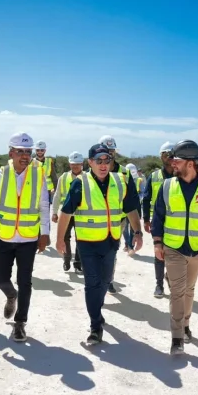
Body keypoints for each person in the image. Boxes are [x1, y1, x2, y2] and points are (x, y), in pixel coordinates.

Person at [55, 143, 142, 344]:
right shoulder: (80, 183)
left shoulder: (120, 181)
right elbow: (66, 212)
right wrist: (60, 240)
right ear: (90, 163)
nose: (103, 165)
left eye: (107, 160)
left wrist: (137, 232)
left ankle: (96, 310)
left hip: (110, 241)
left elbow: (130, 209)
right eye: (98, 161)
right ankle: (95, 326)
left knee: (105, 280)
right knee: (92, 283)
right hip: (87, 244)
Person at [152, 140, 198, 354]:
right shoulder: (167, 186)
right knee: (177, 291)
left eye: (177, 160)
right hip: (173, 247)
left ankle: (185, 324)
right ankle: (177, 338)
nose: (172, 163)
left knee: (189, 290)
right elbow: (158, 216)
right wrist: (157, 243)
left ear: (191, 163)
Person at [0, 133, 50, 342]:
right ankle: (11, 295)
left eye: (28, 152)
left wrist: (45, 233)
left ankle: (20, 323)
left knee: (25, 282)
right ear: (11, 153)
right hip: (4, 237)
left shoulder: (39, 175)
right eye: (20, 151)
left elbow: (44, 206)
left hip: (28, 239)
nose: (25, 156)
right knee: (0, 278)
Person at [98, 135, 138, 294]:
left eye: (112, 151)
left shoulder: (124, 172)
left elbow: (132, 201)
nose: (110, 153)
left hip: (118, 220)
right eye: (106, 150)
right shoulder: (92, 170)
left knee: (111, 251)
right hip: (96, 219)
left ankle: (108, 280)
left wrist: (137, 229)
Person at [142, 141, 175, 297]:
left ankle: (171, 277)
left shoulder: (181, 175)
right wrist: (146, 219)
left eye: (172, 155)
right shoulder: (154, 177)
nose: (169, 157)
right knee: (159, 252)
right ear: (161, 156)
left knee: (175, 254)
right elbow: (146, 198)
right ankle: (159, 284)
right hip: (158, 221)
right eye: (166, 154)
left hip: (176, 221)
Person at [52, 151, 85, 274]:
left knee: (81, 239)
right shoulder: (64, 177)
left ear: (82, 164)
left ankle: (78, 263)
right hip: (66, 214)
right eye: (73, 164)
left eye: (77, 164)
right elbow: (57, 195)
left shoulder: (88, 178)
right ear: (69, 164)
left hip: (82, 215)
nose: (75, 166)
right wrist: (54, 212)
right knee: (65, 238)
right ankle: (67, 259)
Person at [122, 163, 143, 255]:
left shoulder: (139, 180)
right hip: (125, 207)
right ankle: (127, 244)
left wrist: (138, 198)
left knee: (132, 227)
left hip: (135, 206)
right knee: (124, 228)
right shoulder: (122, 178)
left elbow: (142, 191)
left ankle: (130, 246)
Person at [33, 140, 57, 205]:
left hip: (47, 191)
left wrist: (55, 189)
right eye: (38, 150)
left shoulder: (49, 161)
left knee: (45, 209)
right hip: (34, 190)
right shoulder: (31, 162)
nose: (40, 152)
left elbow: (54, 177)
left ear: (45, 151)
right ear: (35, 151)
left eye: (42, 150)